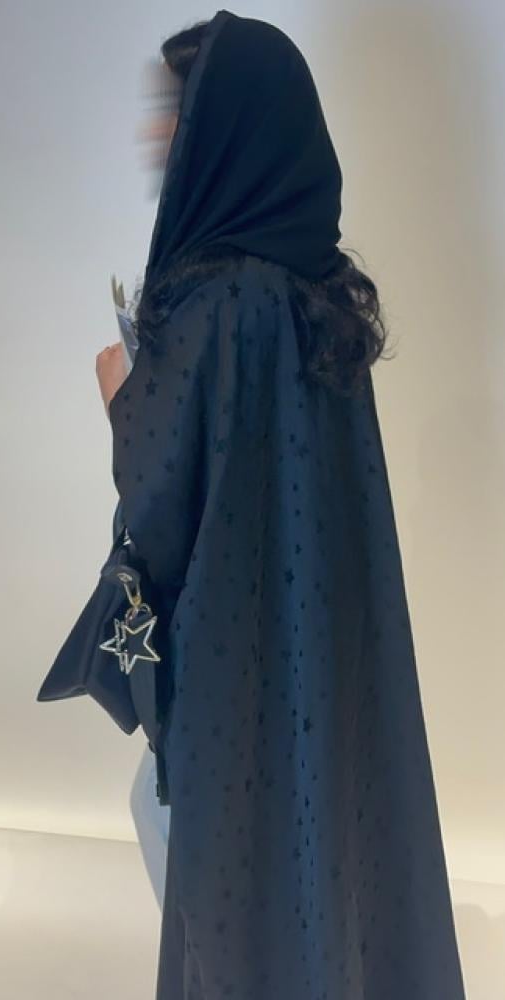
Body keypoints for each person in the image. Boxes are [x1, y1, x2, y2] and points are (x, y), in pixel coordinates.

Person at [96, 10, 466, 1000]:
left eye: (176, 113)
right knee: (315, 838)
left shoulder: (217, 302)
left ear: (228, 131)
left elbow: (158, 498)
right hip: (317, 647)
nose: (157, 135)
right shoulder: (319, 297)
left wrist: (117, 386)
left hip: (237, 657)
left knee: (209, 849)